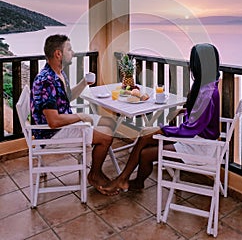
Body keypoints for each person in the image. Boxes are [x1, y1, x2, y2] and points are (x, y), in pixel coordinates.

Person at [100, 43, 220, 195]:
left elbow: (193, 128)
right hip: (195, 137)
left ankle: (128, 181)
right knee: (145, 135)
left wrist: (165, 130)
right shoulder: (207, 85)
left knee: (145, 149)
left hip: (198, 145)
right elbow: (200, 118)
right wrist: (185, 111)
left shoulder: (207, 93)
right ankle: (127, 180)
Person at [30, 34, 117, 195]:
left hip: (64, 125)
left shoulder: (58, 73)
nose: (73, 53)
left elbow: (67, 97)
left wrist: (84, 82)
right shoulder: (47, 81)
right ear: (58, 54)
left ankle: (95, 166)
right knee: (106, 136)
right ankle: (94, 175)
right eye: (69, 49)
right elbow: (54, 121)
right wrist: (83, 117)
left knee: (109, 123)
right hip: (52, 135)